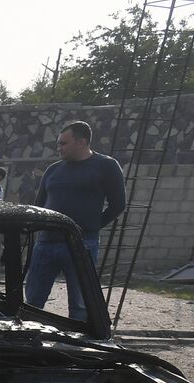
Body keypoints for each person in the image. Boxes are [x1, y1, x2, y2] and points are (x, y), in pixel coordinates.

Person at [26, 121, 126, 320]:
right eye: (59, 143)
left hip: (81, 244)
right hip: (46, 244)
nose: (59, 148)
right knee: (32, 302)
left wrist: (90, 227)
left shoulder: (106, 166)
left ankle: (74, 346)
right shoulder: (53, 171)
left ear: (81, 142)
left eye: (64, 143)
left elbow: (118, 204)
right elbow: (39, 205)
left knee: (80, 305)